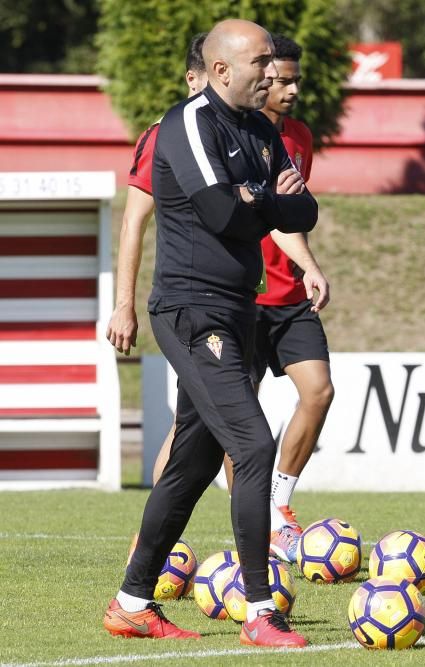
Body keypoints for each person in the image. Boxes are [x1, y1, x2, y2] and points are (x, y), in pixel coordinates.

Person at [102, 19, 317, 648]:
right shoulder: (190, 122)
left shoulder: (258, 127)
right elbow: (221, 211)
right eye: (260, 63)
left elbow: (304, 210)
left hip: (236, 311)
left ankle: (132, 602)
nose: (271, 73)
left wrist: (259, 200)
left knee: (191, 465)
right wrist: (264, 198)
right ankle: (259, 613)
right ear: (222, 70)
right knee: (252, 446)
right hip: (191, 311)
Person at [106, 34, 208, 483]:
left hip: (239, 301)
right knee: (237, 425)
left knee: (196, 423)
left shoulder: (244, 133)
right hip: (190, 304)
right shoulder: (164, 137)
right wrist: (124, 305)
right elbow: (133, 223)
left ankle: (153, 544)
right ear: (194, 78)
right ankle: (261, 535)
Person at [252, 34, 333, 564]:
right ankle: (255, 518)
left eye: (296, 79)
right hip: (244, 296)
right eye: (283, 79)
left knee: (319, 391)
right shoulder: (237, 136)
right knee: (239, 419)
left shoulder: (300, 136)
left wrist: (307, 267)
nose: (293, 88)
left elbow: (289, 216)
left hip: (290, 297)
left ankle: (278, 508)